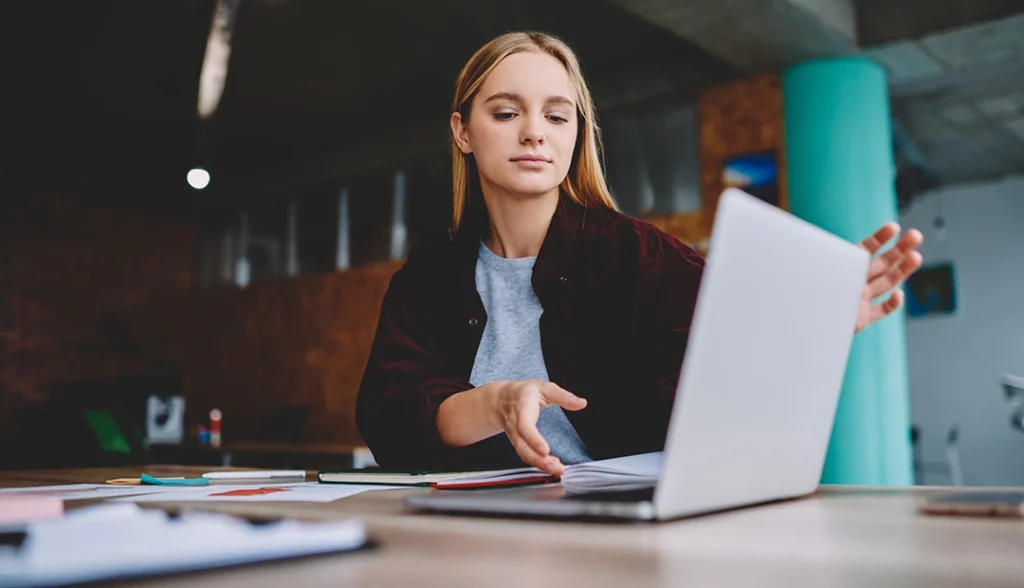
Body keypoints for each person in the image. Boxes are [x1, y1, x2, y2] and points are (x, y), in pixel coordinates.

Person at [354, 31, 923, 477]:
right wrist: (495, 403)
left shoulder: (640, 258)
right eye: (506, 113)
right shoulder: (426, 280)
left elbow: (720, 359)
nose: (534, 133)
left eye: (556, 115)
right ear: (463, 132)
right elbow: (387, 418)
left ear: (575, 133)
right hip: (472, 542)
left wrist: (802, 329)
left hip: (625, 540)